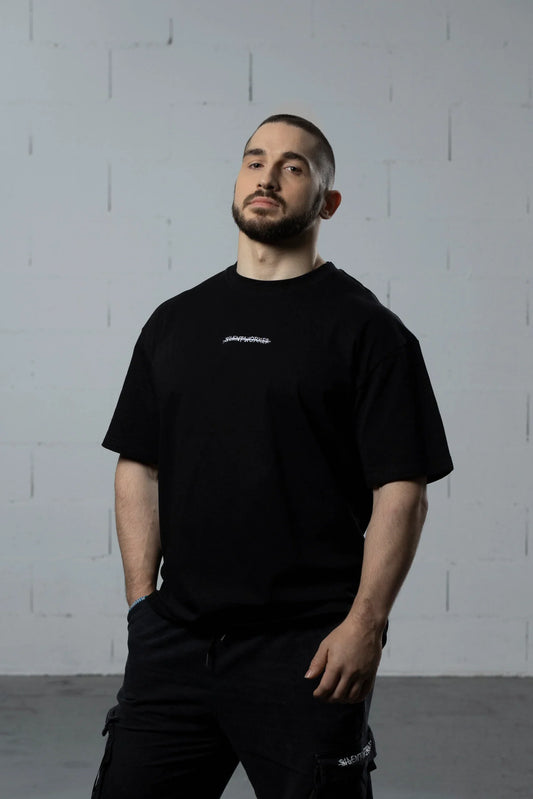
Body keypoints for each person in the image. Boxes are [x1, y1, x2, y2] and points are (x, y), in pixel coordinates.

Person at [91, 113, 453, 799]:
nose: (267, 173)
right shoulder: (175, 321)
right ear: (236, 181)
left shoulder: (368, 331)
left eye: (294, 165)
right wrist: (143, 605)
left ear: (326, 202)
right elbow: (138, 466)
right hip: (175, 645)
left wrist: (364, 625)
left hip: (311, 653)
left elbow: (400, 491)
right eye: (255, 159)